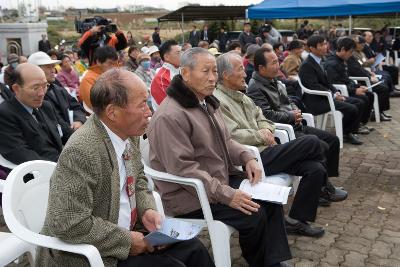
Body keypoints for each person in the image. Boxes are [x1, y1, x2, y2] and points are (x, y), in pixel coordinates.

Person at [36, 68, 214, 267]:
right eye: (142, 105)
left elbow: (137, 178)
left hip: (128, 230)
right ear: (113, 112)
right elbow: (68, 223)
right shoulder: (82, 151)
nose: (149, 112)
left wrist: (147, 210)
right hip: (93, 252)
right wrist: (128, 240)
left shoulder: (129, 133)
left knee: (194, 249)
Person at [148, 47, 292, 267]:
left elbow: (225, 141)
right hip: (189, 195)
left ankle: (271, 260)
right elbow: (184, 170)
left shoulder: (205, 102)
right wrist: (227, 195)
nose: (213, 78)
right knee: (254, 214)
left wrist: (247, 158)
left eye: (215, 71)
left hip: (217, 179)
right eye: (205, 71)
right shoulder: (170, 116)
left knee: (271, 202)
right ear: (185, 74)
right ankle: (262, 262)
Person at [216, 51, 339, 235]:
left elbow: (264, 118)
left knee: (315, 168)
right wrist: (260, 135)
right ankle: (326, 188)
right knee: (313, 142)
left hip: (267, 150)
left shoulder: (242, 96)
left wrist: (266, 130)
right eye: (240, 69)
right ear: (226, 75)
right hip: (251, 159)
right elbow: (233, 135)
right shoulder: (219, 101)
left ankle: (296, 220)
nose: (245, 73)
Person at [244, 49, 346, 206]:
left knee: (332, 140)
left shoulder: (274, 80)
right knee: (320, 145)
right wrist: (290, 116)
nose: (278, 66)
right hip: (282, 131)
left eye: (278, 61)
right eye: (273, 63)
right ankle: (323, 189)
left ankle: (322, 184)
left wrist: (295, 111)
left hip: (294, 124)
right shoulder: (255, 87)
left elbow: (288, 102)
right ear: (260, 68)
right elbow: (266, 116)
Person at [298, 35, 365, 145]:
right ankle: (347, 133)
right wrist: (333, 95)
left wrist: (336, 92)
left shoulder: (321, 60)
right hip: (316, 101)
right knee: (352, 108)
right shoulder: (307, 65)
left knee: (359, 102)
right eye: (321, 45)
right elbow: (313, 86)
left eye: (325, 43)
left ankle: (348, 131)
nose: (325, 46)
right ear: (312, 48)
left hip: (326, 97)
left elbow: (327, 82)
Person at [0, 63, 64, 164]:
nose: (42, 93)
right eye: (35, 88)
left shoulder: (45, 106)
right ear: (16, 88)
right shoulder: (5, 114)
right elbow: (22, 154)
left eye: (45, 86)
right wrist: (65, 166)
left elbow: (66, 131)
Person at [324, 37, 374, 133]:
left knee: (369, 94)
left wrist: (358, 86)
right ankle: (350, 129)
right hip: (340, 92)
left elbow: (346, 80)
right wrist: (354, 90)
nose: (351, 55)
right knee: (362, 99)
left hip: (346, 88)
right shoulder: (332, 64)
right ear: (343, 49)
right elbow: (335, 84)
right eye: (350, 52)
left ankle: (360, 123)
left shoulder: (341, 61)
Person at [28, 52, 86, 132]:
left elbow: (77, 106)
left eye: (53, 67)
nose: (53, 71)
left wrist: (78, 120)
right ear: (36, 70)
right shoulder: (34, 96)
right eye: (49, 67)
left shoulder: (57, 88)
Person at [348, 35, 391, 121]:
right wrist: (369, 76)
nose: (363, 46)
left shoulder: (360, 53)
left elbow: (360, 68)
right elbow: (358, 69)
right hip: (360, 80)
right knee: (383, 88)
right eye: (361, 44)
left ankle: (379, 111)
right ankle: (376, 113)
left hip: (365, 75)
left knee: (384, 82)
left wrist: (369, 74)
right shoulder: (351, 55)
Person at [150, 40, 181, 105]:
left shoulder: (182, 70)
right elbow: (170, 106)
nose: (182, 55)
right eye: (178, 53)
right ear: (166, 57)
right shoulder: (161, 78)